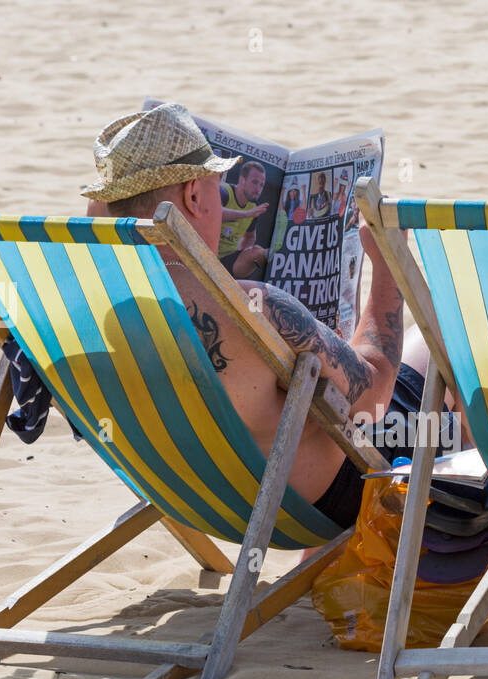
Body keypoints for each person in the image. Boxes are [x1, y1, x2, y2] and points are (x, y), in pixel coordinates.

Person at [80, 103, 439, 529]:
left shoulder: (91, 308)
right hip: (311, 504)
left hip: (191, 499)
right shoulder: (258, 309)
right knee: (444, 344)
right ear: (194, 196)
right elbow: (375, 396)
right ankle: (469, 533)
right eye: (216, 185)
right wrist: (387, 269)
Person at [217, 160, 270, 280]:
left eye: (261, 185)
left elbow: (250, 237)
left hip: (227, 262)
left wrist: (242, 253)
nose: (258, 189)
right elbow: (214, 212)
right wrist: (246, 214)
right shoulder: (224, 192)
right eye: (254, 182)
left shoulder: (252, 207)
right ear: (242, 180)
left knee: (259, 253)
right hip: (204, 252)